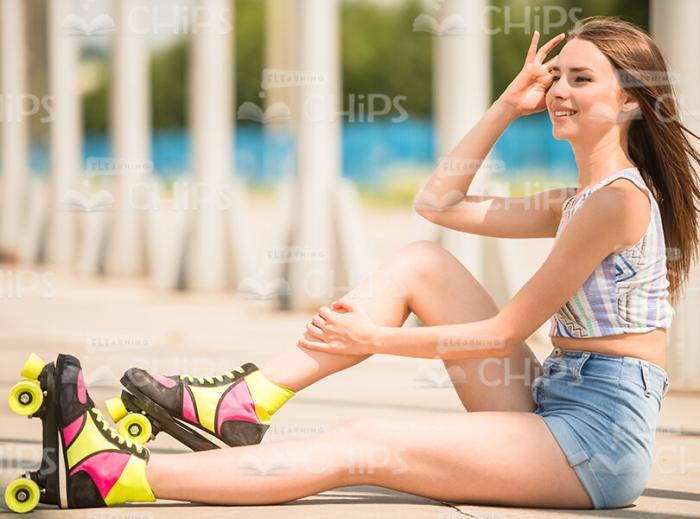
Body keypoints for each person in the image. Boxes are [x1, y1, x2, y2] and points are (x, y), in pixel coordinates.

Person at [28, 16, 700, 511]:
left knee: (356, 441)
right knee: (421, 263)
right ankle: (244, 403)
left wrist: (372, 341)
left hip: (596, 439)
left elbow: (501, 333)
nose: (559, 91)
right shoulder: (576, 198)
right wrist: (506, 103)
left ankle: (111, 473)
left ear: (634, 100)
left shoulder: (612, 205)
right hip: (559, 395)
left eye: (582, 80)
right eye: (558, 77)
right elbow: (438, 201)